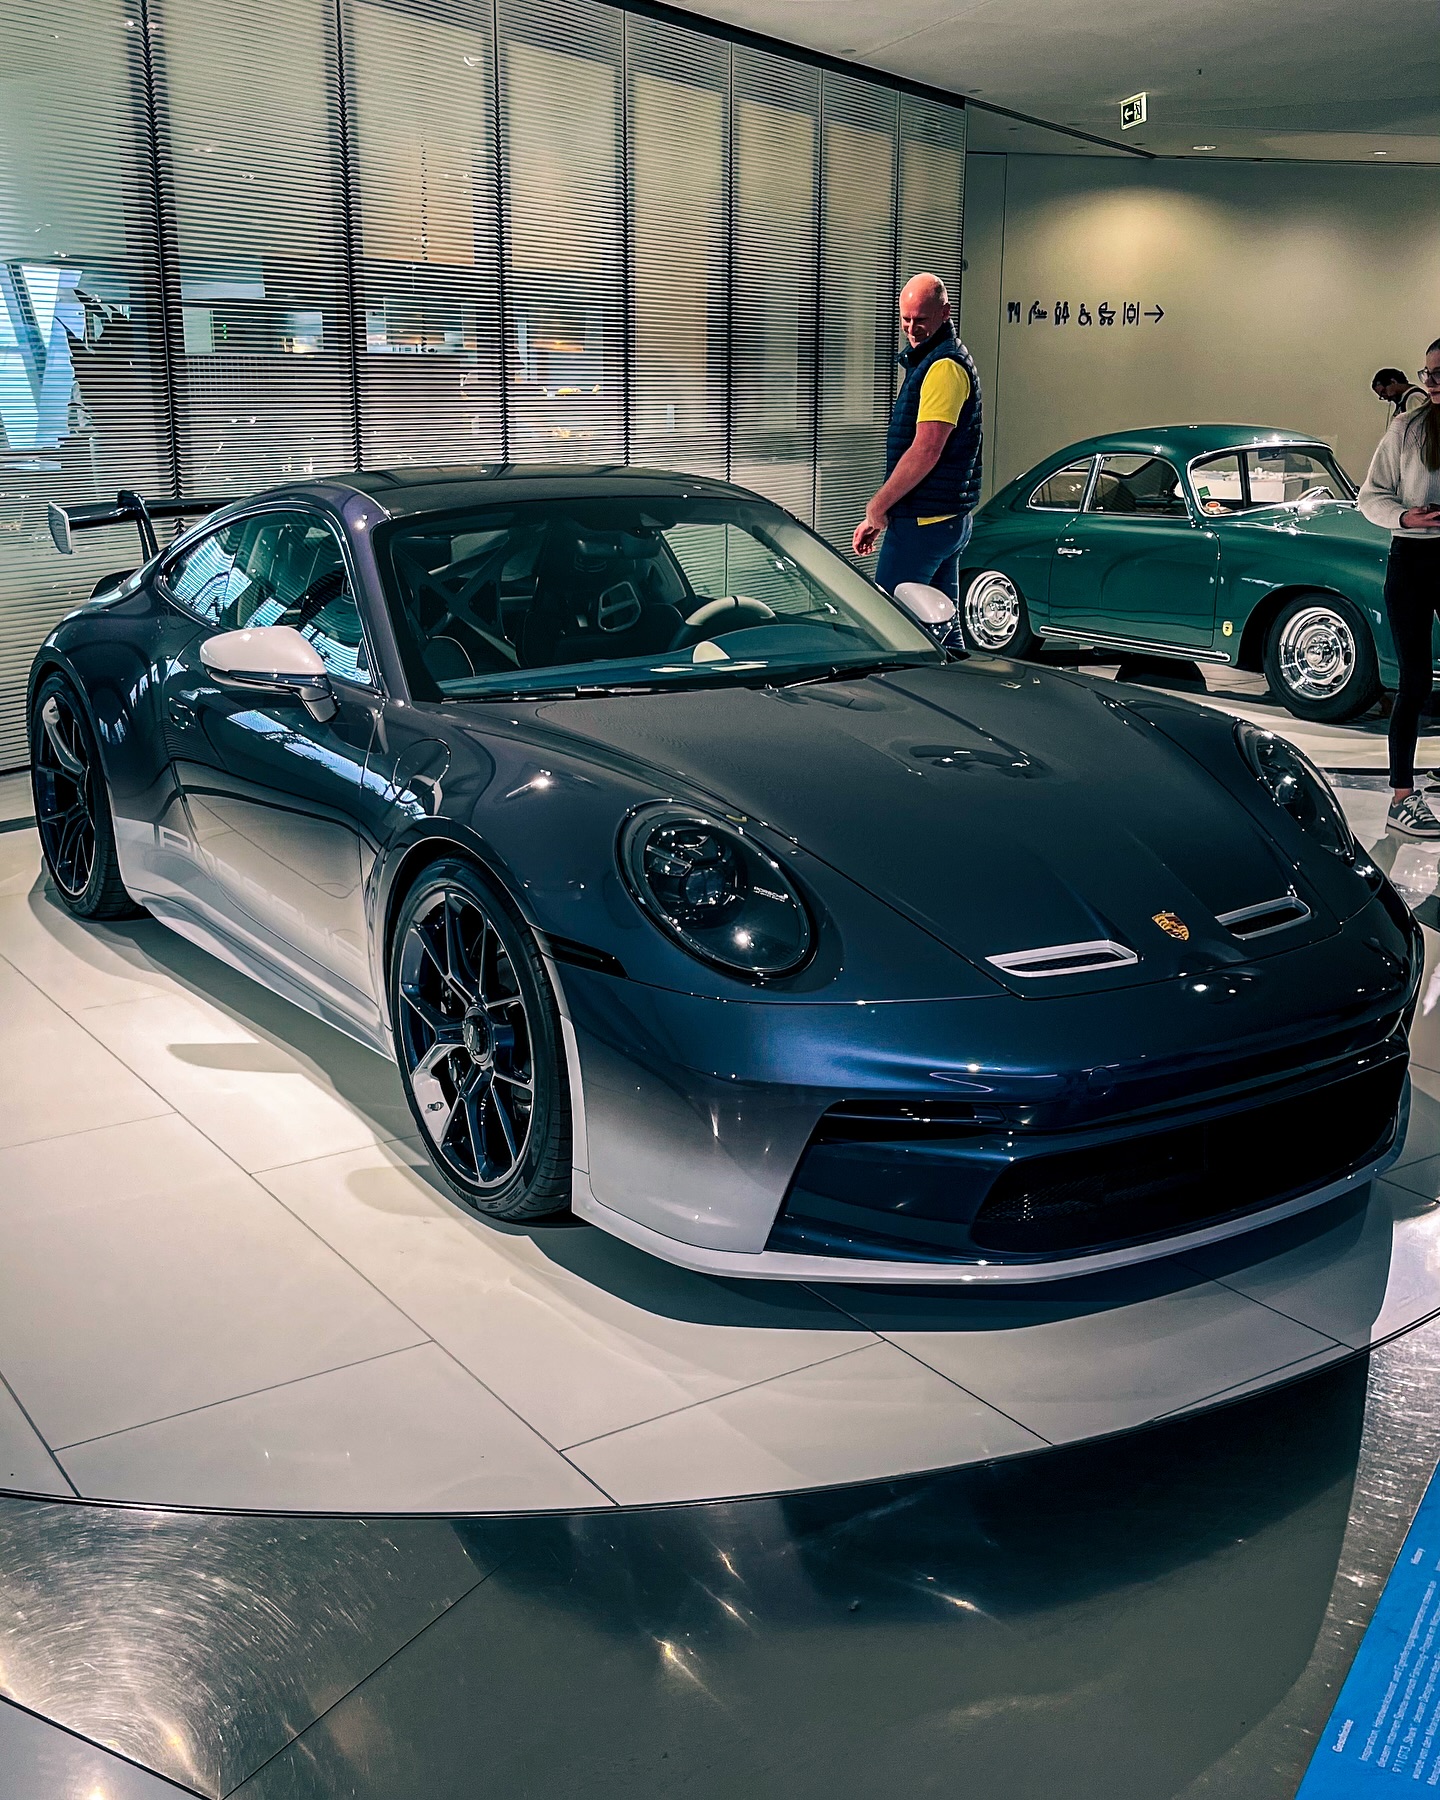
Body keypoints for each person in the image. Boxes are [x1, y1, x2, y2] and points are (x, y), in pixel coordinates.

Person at [853, 274, 983, 628]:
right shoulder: (936, 360)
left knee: (889, 626)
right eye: (906, 319)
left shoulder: (943, 367)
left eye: (921, 319)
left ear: (945, 312)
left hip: (924, 524)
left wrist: (876, 508)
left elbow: (925, 450)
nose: (912, 328)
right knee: (942, 627)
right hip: (946, 520)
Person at [1358, 338, 1440, 836]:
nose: (1431, 382)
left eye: (1439, 373)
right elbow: (1371, 495)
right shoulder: (1406, 427)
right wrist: (1405, 516)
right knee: (1414, 681)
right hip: (1412, 559)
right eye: (1428, 373)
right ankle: (1402, 796)